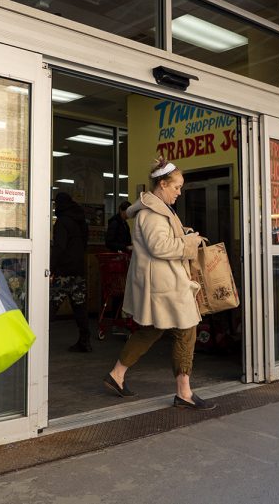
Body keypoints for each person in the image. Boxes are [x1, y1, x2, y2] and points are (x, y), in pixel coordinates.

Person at [103, 157, 216, 410]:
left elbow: (161, 241)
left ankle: (117, 374)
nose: (179, 192)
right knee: (187, 329)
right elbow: (159, 246)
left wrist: (184, 234)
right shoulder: (153, 213)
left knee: (152, 329)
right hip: (166, 284)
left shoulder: (156, 210)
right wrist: (190, 243)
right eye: (176, 187)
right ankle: (184, 393)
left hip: (160, 284)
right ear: (163, 184)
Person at [50, 191, 92, 352]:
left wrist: (51, 268)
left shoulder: (62, 222)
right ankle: (85, 341)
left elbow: (59, 247)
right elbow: (84, 244)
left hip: (63, 271)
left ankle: (35, 341)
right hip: (78, 269)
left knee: (50, 306)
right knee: (80, 306)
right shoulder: (81, 221)